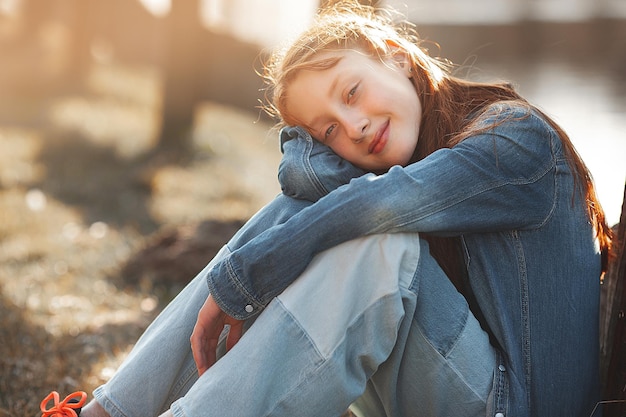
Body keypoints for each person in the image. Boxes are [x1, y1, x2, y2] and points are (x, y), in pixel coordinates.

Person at [40, 1, 613, 416]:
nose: (355, 126)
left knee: (376, 238)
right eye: (328, 128)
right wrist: (248, 270)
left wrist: (245, 278)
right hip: (454, 383)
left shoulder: (516, 142)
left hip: (515, 403)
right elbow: (304, 180)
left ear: (397, 57)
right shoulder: (403, 148)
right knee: (318, 214)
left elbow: (376, 203)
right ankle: (106, 414)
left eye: (353, 91)